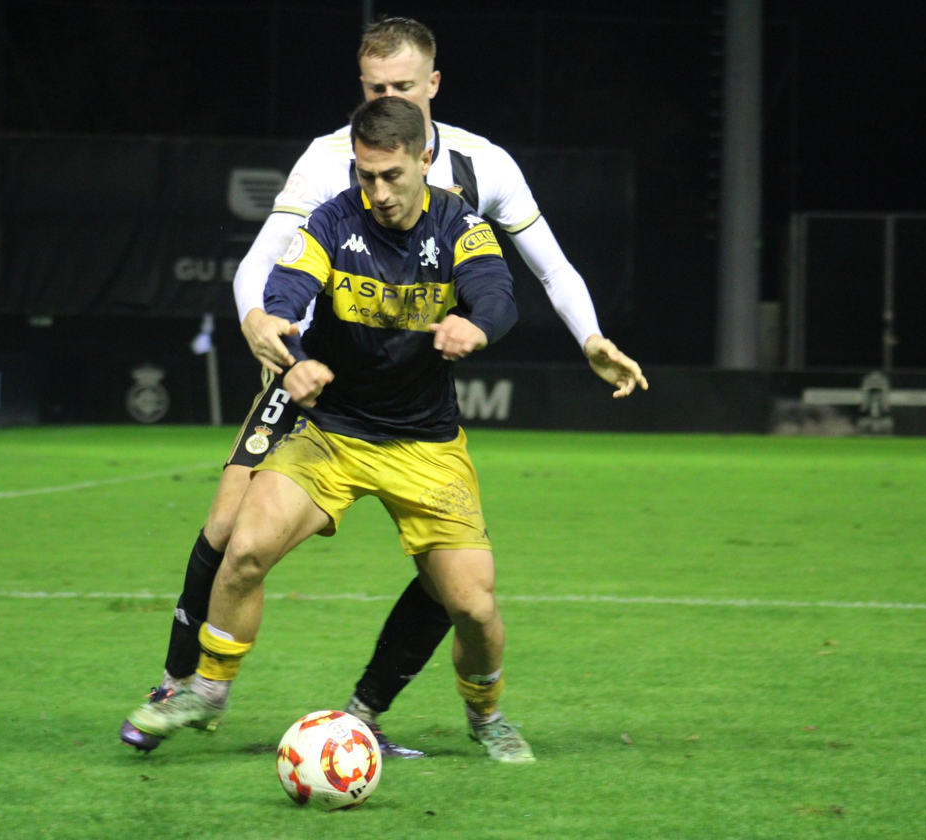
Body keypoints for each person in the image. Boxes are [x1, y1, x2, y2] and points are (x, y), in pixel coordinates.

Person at [120, 16, 647, 757]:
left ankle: (404, 708)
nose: (389, 97)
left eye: (403, 86)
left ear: (433, 88)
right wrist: (272, 332)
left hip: (417, 415)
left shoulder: (477, 175)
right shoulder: (332, 167)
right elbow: (273, 267)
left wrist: (585, 336)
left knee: (462, 590)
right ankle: (191, 685)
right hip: (321, 388)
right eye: (375, 88)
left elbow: (536, 273)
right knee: (229, 530)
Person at [128, 96, 536, 763]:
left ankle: (485, 715)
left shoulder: (461, 225)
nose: (378, 192)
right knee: (246, 544)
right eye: (366, 176)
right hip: (334, 433)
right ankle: (206, 690)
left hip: (425, 445)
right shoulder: (331, 220)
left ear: (424, 161)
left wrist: (478, 325)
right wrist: (277, 336)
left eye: (392, 176)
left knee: (475, 607)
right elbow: (288, 289)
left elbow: (497, 293)